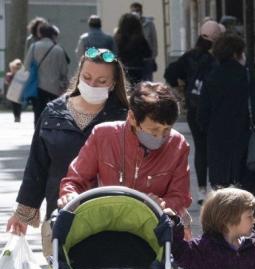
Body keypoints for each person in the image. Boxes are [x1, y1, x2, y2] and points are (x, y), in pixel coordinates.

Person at [5, 48, 129, 255]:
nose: (92, 85)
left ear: (114, 83)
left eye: (101, 81)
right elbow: (37, 166)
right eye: (87, 77)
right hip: (60, 216)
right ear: (78, 74)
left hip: (112, 219)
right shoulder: (54, 112)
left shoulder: (126, 118)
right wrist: (23, 213)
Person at [57, 82, 192, 226]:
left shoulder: (178, 144)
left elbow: (181, 196)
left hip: (155, 228)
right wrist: (69, 195)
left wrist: (162, 204)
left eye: (167, 130)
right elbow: (75, 180)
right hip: (106, 224)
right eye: (154, 130)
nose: (161, 136)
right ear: (132, 118)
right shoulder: (103, 135)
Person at [165, 20, 224, 203]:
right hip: (214, 110)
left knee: (200, 148)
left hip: (194, 109)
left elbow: (170, 73)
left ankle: (200, 189)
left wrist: (180, 89)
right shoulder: (217, 59)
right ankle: (216, 186)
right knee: (214, 147)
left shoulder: (190, 56)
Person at [198, 32, 255, 195]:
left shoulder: (211, 78)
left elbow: (202, 117)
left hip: (218, 145)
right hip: (244, 142)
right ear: (237, 53)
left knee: (222, 198)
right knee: (246, 197)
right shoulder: (247, 76)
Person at [24, 24, 69, 126]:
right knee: (55, 113)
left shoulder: (34, 46)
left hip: (38, 86)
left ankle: (38, 134)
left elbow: (26, 66)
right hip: (55, 88)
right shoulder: (59, 49)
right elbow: (64, 70)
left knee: (38, 113)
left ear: (40, 33)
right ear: (52, 34)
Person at [114, 12, 152, 85]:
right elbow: (148, 54)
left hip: (122, 68)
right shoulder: (140, 38)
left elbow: (115, 53)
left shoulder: (117, 38)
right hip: (138, 69)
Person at [130, 2, 158, 80]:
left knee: (147, 81)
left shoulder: (149, 24)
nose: (135, 13)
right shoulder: (128, 25)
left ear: (141, 12)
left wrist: (153, 57)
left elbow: (154, 41)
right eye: (133, 11)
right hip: (133, 60)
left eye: (137, 11)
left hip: (147, 59)